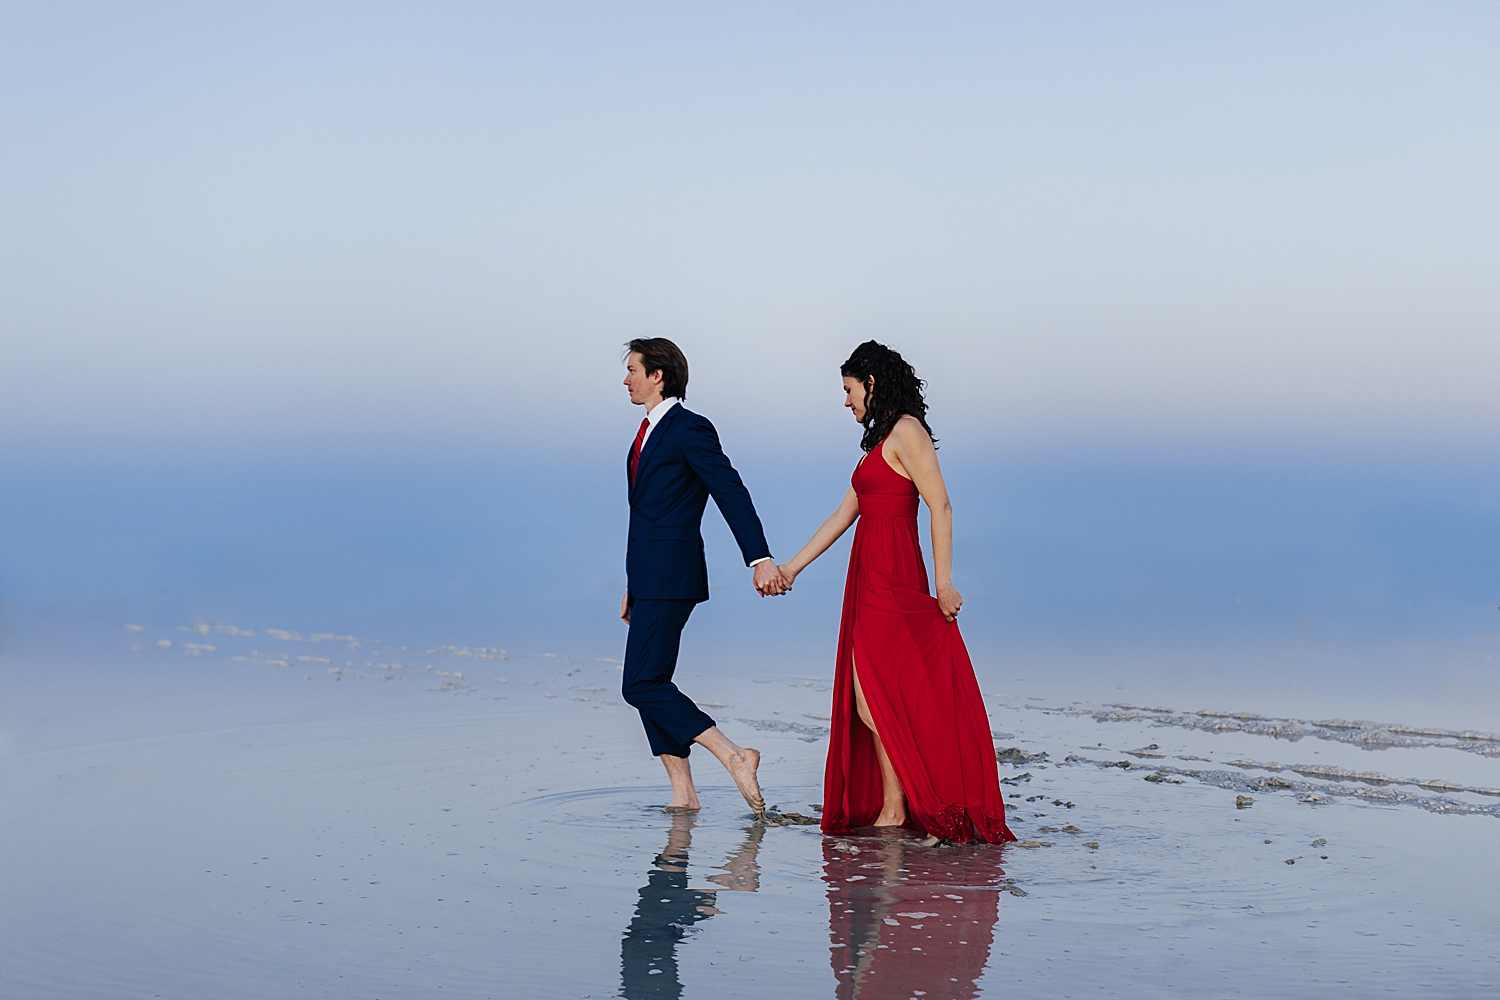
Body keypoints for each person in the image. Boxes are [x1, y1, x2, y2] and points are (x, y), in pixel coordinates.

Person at [777, 341, 1014, 844]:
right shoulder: (877, 443)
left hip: (894, 580)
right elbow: (844, 514)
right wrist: (791, 567)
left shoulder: (908, 431)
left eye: (848, 390)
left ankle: (898, 805)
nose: (846, 402)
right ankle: (894, 805)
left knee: (878, 700)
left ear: (872, 383)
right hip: (866, 581)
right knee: (869, 700)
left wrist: (944, 582)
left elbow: (941, 505)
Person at [619, 337, 790, 820]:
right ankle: (684, 794)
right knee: (652, 681)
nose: (626, 379)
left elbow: (729, 489)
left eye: (633, 369)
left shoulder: (689, 429)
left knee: (641, 685)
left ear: (659, 375)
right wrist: (633, 585)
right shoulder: (646, 432)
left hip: (673, 575)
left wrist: (759, 557)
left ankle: (734, 754)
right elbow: (646, 516)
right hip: (650, 578)